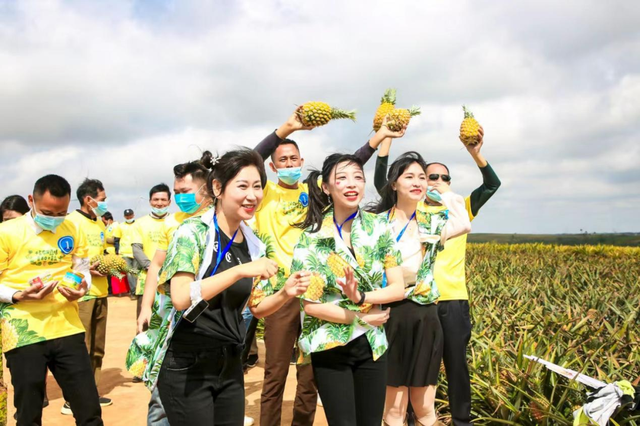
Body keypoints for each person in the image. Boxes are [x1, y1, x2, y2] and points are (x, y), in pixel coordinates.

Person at [252, 110, 407, 426]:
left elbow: (349, 168)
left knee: (309, 381)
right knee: (277, 372)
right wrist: (288, 127)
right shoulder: (265, 192)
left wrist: (379, 137)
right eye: (283, 160)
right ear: (271, 166)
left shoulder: (319, 191)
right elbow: (251, 160)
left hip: (341, 307)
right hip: (284, 291)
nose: (290, 165)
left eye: (295, 159)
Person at [374, 127, 501, 426]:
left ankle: (460, 421)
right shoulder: (403, 215)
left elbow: (492, 185)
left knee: (455, 365)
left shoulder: (457, 208)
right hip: (405, 300)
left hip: (452, 298)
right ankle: (403, 418)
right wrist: (386, 139)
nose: (437, 182)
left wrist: (474, 154)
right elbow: (384, 184)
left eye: (445, 178)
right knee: (404, 377)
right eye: (432, 177)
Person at [290, 153, 406, 426]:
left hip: (373, 344)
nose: (352, 184)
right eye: (341, 178)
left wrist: (362, 297)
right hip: (331, 344)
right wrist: (361, 316)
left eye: (358, 178)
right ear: (326, 188)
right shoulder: (311, 239)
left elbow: (398, 288)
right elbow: (311, 305)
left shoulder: (380, 228)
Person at [373, 152, 471, 426]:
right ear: (393, 183)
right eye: (409, 176)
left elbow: (464, 223)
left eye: (421, 177)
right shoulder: (376, 224)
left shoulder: (432, 222)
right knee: (393, 408)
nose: (418, 182)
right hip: (389, 315)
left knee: (425, 407)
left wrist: (446, 192)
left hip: (425, 317)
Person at [0, 174, 102, 425]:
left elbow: (82, 269)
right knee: (29, 411)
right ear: (31, 200)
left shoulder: (72, 228)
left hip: (67, 327)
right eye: (47, 212)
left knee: (88, 408)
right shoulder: (7, 232)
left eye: (61, 213)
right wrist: (16, 295)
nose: (54, 219)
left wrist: (82, 287)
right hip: (24, 331)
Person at [129, 152, 216, 426]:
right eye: (177, 192)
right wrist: (145, 309)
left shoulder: (224, 221)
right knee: (162, 384)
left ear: (208, 188)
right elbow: (155, 266)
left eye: (186, 191)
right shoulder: (174, 223)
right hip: (171, 313)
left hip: (212, 316)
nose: (180, 197)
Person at [65, 178, 113, 414]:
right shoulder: (71, 223)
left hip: (101, 291)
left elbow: (103, 250)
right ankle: (73, 398)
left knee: (97, 347)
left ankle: (92, 392)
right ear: (88, 199)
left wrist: (110, 263)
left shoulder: (99, 223)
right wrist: (85, 270)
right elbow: (66, 258)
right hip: (81, 294)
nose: (104, 203)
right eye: (102, 199)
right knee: (81, 347)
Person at [132, 184, 171, 318]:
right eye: (155, 199)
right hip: (146, 280)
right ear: (150, 201)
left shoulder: (176, 222)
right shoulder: (139, 223)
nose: (159, 203)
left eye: (163, 200)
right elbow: (136, 249)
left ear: (169, 202)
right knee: (144, 323)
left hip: (171, 281)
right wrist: (152, 267)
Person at [112, 209, 137, 300]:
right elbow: (116, 240)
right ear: (124, 217)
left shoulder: (138, 225)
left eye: (130, 216)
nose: (129, 217)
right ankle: (133, 292)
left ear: (133, 215)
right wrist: (117, 251)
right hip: (125, 252)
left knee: (136, 272)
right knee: (130, 273)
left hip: (136, 252)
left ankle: (137, 291)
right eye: (127, 216)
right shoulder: (120, 226)